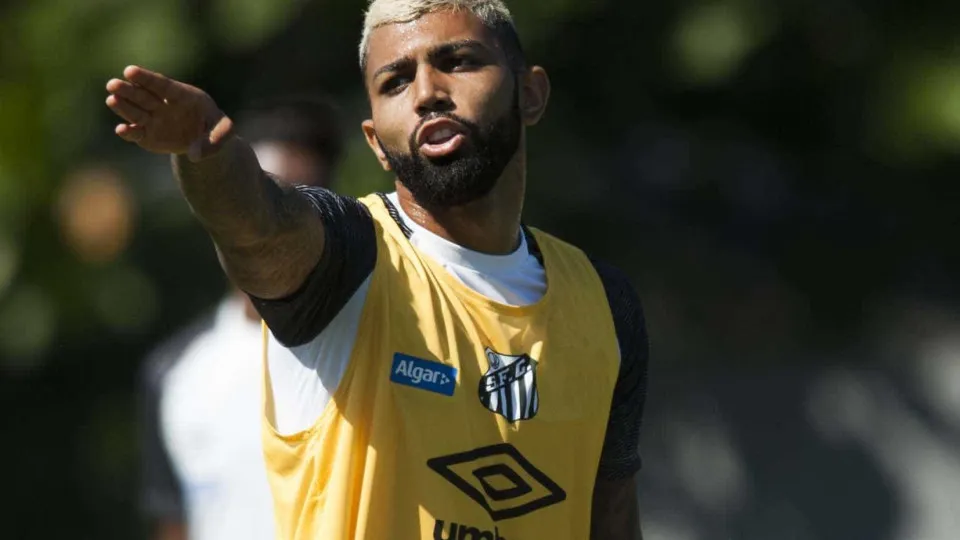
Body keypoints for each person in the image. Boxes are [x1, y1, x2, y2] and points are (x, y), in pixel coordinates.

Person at [107, 1, 648, 538]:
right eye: (396, 82)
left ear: (529, 93)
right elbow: (259, 227)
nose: (427, 92)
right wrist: (206, 156)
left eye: (458, 61)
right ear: (376, 143)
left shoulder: (605, 304)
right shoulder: (349, 259)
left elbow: (613, 520)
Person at [138, 97, 343, 540]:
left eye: (292, 205)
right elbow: (174, 523)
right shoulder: (174, 372)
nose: (266, 227)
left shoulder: (374, 342)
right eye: (250, 205)